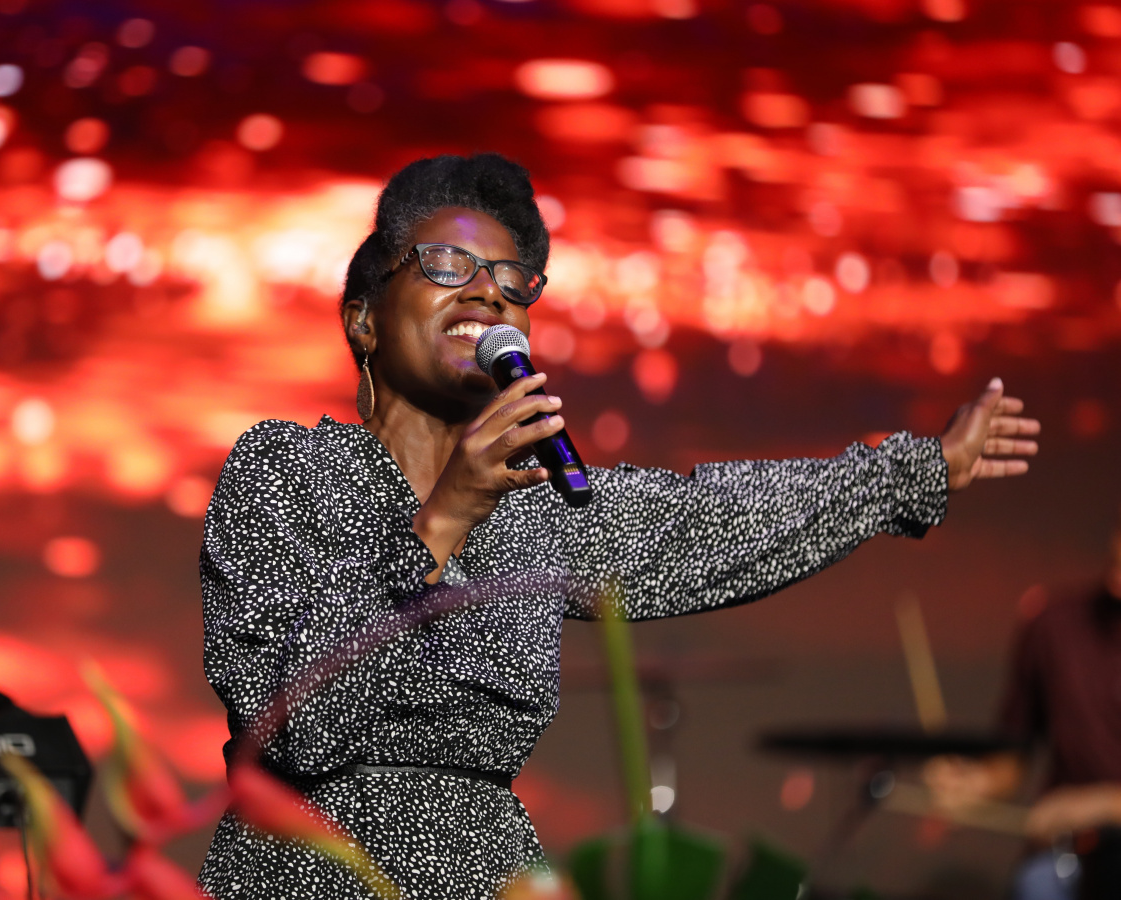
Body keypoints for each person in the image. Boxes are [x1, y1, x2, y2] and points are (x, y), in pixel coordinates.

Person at [197, 154, 1040, 900]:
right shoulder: (287, 471)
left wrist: (921, 468)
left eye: (512, 280)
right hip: (306, 873)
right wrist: (445, 517)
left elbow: (709, 521)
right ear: (363, 318)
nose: (489, 291)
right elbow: (293, 719)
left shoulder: (535, 509)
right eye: (448, 263)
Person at [924, 519, 1121, 900]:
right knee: (1038, 886)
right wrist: (974, 784)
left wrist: (1101, 805)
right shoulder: (1056, 626)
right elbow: (1011, 756)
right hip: (1070, 855)